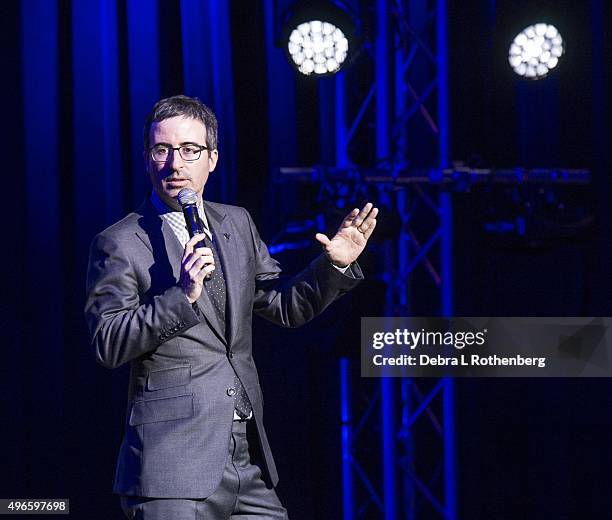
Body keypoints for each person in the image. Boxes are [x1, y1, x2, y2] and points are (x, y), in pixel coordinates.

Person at [84, 95, 378, 519]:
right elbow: (108, 343)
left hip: (247, 455)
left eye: (189, 150)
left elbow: (283, 306)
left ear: (212, 159)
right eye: (161, 150)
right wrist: (182, 295)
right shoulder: (120, 242)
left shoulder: (235, 223)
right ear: (147, 159)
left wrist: (333, 265)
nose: (174, 164)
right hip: (172, 461)